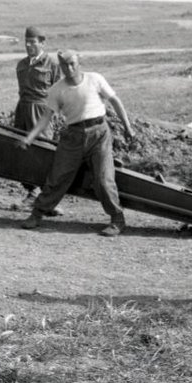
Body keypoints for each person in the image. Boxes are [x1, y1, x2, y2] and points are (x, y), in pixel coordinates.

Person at [15, 49, 134, 237]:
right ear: (60, 67)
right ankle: (37, 215)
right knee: (57, 177)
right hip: (73, 137)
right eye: (64, 65)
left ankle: (117, 220)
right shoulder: (57, 90)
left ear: (79, 63)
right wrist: (29, 138)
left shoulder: (95, 79)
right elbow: (46, 118)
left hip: (99, 135)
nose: (69, 68)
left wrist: (127, 127)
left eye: (72, 64)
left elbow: (114, 101)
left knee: (103, 179)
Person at [14, 25, 61, 205]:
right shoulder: (22, 65)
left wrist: (54, 114)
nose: (28, 46)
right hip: (23, 110)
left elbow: (58, 90)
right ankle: (32, 191)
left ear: (43, 43)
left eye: (32, 42)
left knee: (43, 152)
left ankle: (48, 198)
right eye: (26, 42)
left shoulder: (53, 65)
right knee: (22, 151)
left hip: (42, 112)